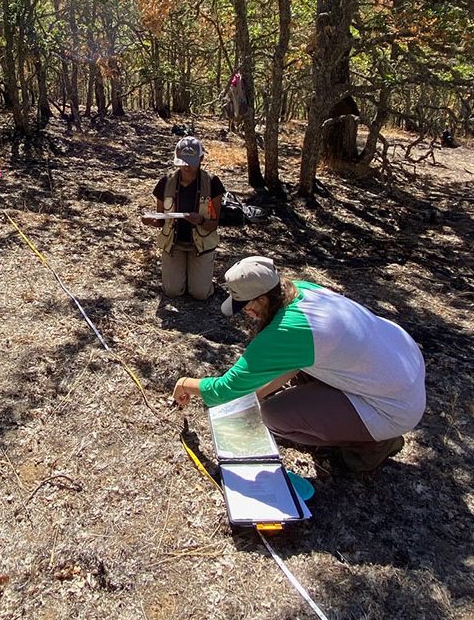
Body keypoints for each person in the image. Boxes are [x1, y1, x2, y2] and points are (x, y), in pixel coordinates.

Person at [172, 255, 426, 472]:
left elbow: (224, 390)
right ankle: (360, 426)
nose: (245, 313)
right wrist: (254, 395)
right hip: (402, 366)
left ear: (262, 299)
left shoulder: (285, 332)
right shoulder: (300, 289)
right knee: (291, 383)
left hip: (394, 407)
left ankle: (372, 445)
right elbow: (295, 363)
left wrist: (185, 384)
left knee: (274, 416)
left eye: (246, 306)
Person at [144, 136, 225, 300]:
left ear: (201, 159)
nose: (187, 166)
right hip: (174, 244)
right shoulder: (165, 183)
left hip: (200, 245)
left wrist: (200, 220)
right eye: (183, 161)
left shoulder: (212, 183)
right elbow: (161, 220)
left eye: (191, 161)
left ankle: (200, 279)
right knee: (172, 291)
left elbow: (213, 225)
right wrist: (150, 221)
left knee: (200, 294)